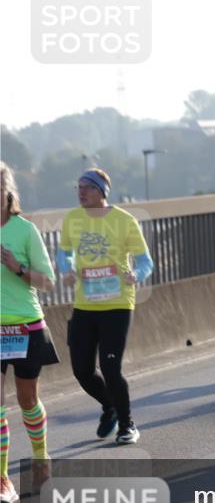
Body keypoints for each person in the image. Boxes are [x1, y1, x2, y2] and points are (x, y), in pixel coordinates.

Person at [57, 169, 154, 445]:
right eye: (78, 187)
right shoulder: (73, 219)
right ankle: (110, 405)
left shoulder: (125, 221)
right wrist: (67, 268)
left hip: (118, 304)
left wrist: (137, 274)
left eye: (87, 187)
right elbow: (63, 252)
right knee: (81, 370)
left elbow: (146, 261)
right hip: (84, 305)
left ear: (101, 191)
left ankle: (127, 425)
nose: (81, 192)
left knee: (110, 368)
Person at [1, 163, 58, 503]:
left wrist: (17, 267)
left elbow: (47, 281)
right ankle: (3, 477)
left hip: (24, 325)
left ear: (7, 194)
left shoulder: (24, 230)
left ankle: (40, 460)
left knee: (26, 400)